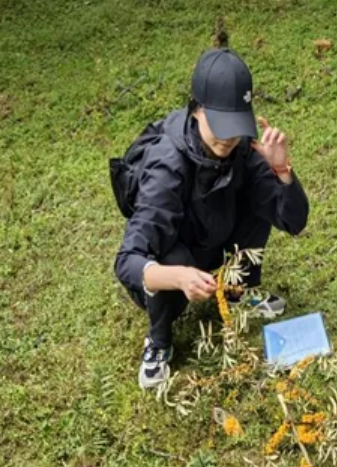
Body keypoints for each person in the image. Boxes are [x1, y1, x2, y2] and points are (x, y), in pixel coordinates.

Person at [114, 48, 309, 389]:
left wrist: (281, 171)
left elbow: (293, 221)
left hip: (214, 235)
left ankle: (237, 292)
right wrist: (177, 276)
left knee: (258, 203)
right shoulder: (167, 165)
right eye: (220, 125)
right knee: (166, 254)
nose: (228, 137)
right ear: (197, 110)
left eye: (236, 126)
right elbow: (127, 261)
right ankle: (158, 342)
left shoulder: (242, 149)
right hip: (175, 262)